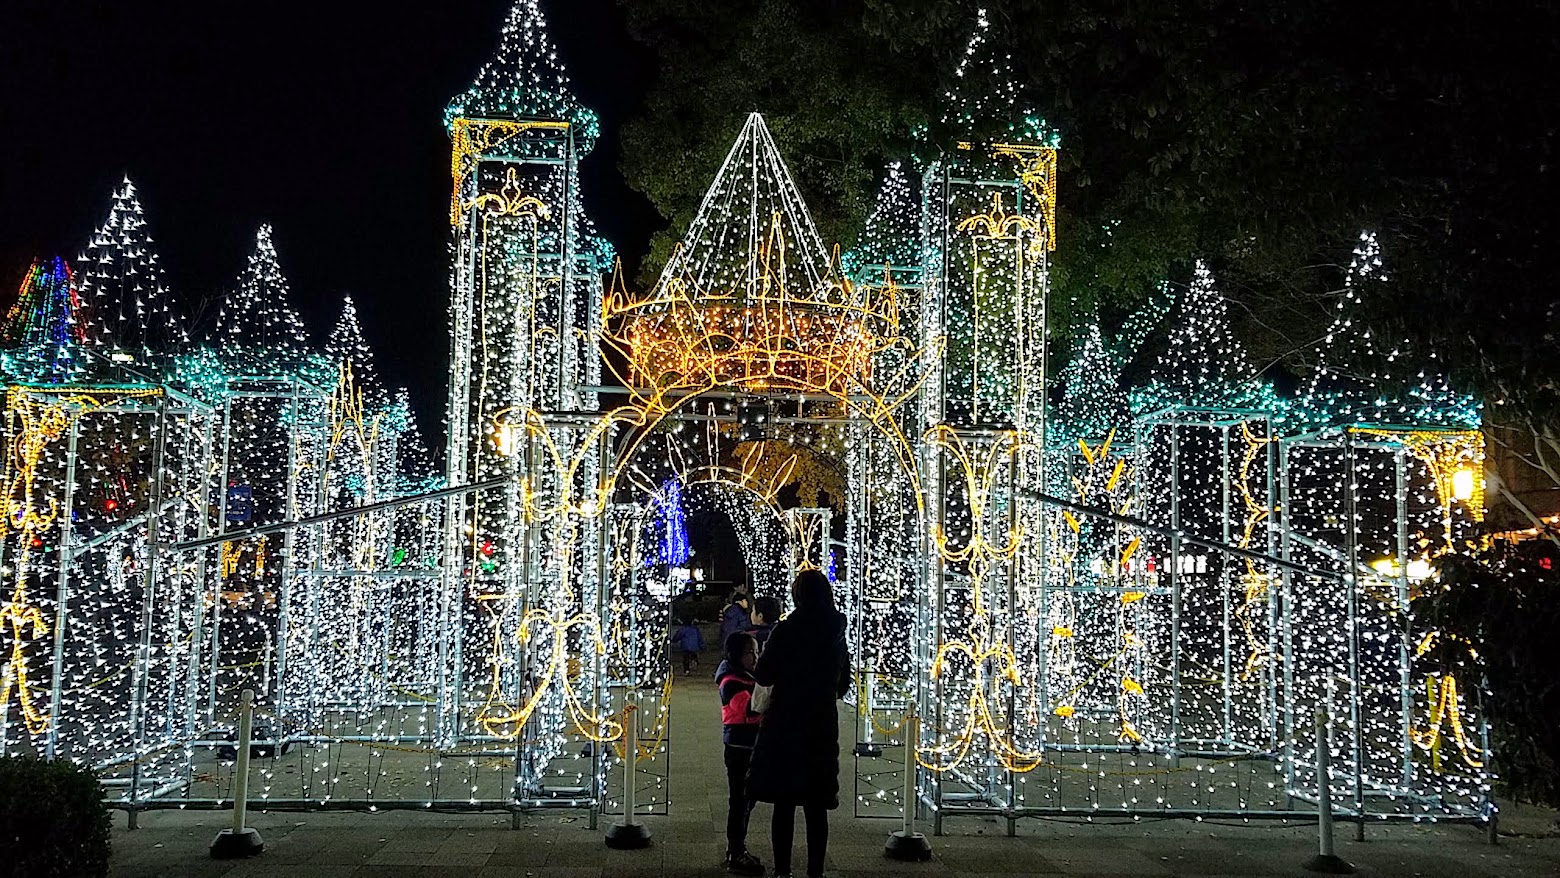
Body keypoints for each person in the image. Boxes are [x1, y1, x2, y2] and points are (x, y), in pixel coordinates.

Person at [746, 570, 850, 878]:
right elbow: (842, 683)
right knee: (816, 805)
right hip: (820, 721)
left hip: (787, 721)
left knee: (785, 800)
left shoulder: (785, 631)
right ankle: (815, 871)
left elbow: (764, 675)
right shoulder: (836, 632)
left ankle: (782, 871)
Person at [714, 632, 764, 875]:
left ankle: (737, 849)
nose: (754, 657)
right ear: (736, 654)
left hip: (748, 746)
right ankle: (736, 852)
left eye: (756, 651)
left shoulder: (746, 676)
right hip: (739, 748)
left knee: (745, 801)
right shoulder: (731, 681)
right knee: (740, 802)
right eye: (749, 652)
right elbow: (748, 710)